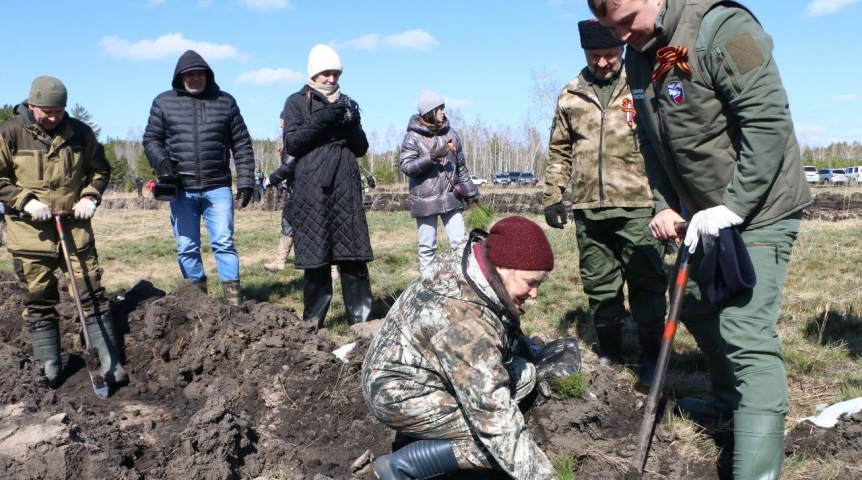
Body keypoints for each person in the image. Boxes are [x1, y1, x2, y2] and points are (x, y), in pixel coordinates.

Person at [589, 0, 813, 477]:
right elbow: (650, 138)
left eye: (627, 22)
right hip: (703, 211)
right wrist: (664, 203)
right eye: (612, 28)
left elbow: (769, 121)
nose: (622, 36)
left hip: (760, 206)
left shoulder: (724, 27)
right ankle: (733, 404)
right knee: (690, 298)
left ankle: (756, 468)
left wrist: (734, 206)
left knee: (745, 332)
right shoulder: (639, 51)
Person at [363, 216, 557, 480]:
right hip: (397, 395)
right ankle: (402, 465)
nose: (534, 294)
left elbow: (499, 321)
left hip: (411, 369)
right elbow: (495, 422)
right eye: (530, 283)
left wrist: (526, 349)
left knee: (524, 376)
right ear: (504, 266)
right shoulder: (466, 323)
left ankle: (420, 437)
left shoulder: (475, 262)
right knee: (493, 440)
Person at [543, 19, 668, 385]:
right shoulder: (570, 95)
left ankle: (651, 359)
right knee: (599, 285)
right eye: (595, 56)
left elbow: (665, 140)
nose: (603, 63)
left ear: (622, 49)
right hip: (588, 209)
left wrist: (668, 201)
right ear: (584, 53)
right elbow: (559, 149)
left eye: (610, 55)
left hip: (639, 205)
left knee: (646, 283)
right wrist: (554, 194)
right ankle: (611, 355)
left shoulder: (642, 82)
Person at [0, 76, 127, 388]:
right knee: (39, 297)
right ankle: (50, 366)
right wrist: (24, 201)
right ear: (31, 105)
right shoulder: (10, 132)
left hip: (74, 228)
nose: (53, 117)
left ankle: (109, 362)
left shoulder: (80, 133)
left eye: (58, 111)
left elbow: (100, 170)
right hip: (30, 233)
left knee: (91, 293)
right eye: (46, 111)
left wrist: (89, 196)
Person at [143, 49, 256, 306]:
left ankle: (234, 301)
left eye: (199, 74)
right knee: (187, 246)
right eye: (189, 74)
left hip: (217, 187)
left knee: (224, 242)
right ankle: (197, 301)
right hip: (182, 189)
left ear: (207, 75)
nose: (195, 78)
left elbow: (241, 143)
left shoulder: (225, 102)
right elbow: (151, 139)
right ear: (179, 77)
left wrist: (246, 181)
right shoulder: (163, 102)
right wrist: (163, 163)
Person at [282, 44, 373, 328]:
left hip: (345, 183)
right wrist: (324, 117)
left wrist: (353, 124)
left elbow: (360, 148)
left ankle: (362, 322)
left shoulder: (346, 101)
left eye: (335, 73)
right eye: (326, 74)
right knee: (316, 251)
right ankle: (313, 322)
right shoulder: (296, 102)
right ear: (313, 73)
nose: (332, 79)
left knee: (353, 252)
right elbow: (293, 144)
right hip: (312, 186)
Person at [400, 90, 478, 273]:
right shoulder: (412, 137)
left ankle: (462, 279)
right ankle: (427, 285)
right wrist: (431, 157)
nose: (443, 111)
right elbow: (407, 167)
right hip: (425, 200)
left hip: (452, 197)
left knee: (460, 243)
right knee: (427, 247)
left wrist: (472, 192)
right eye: (440, 108)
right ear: (429, 111)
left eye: (443, 107)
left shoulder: (451, 134)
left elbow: (461, 167)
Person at [263, 116, 295, 273]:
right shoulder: (290, 136)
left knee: (319, 228)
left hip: (306, 191)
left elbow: (289, 166)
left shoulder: (295, 137)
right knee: (287, 222)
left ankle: (332, 270)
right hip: (295, 191)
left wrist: (271, 178)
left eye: (283, 118)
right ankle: (280, 261)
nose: (281, 122)